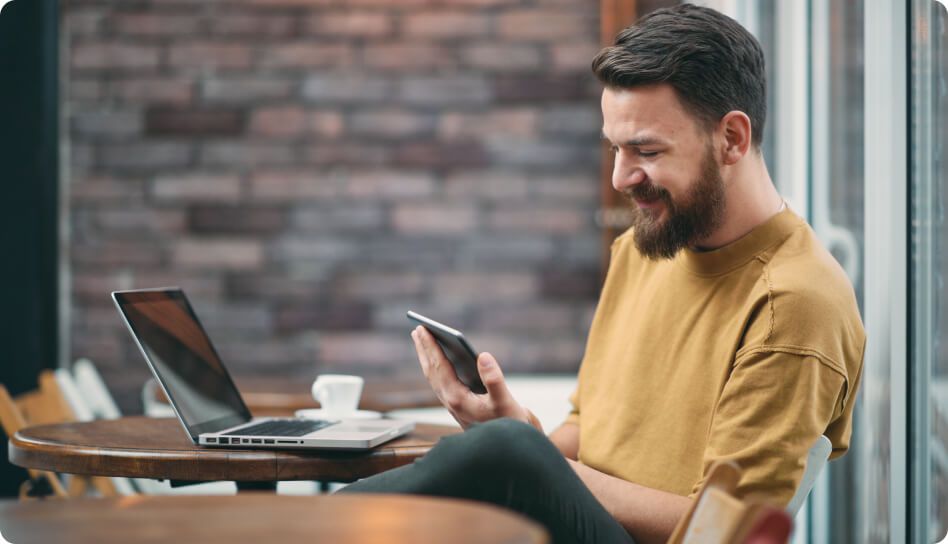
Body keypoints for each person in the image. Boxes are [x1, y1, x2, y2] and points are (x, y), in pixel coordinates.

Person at [341, 5, 865, 544]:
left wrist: (527, 459)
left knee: (503, 455)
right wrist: (517, 433)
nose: (619, 177)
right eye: (615, 147)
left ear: (731, 138)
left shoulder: (795, 304)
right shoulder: (644, 248)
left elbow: (725, 530)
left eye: (646, 150)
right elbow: (588, 430)